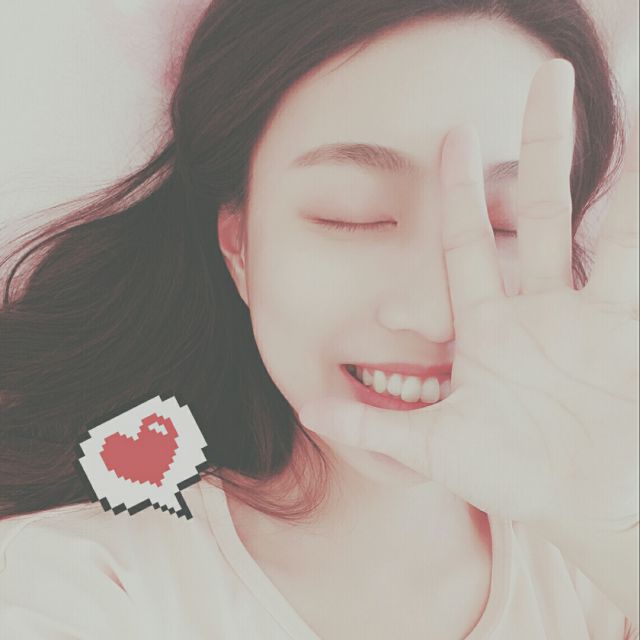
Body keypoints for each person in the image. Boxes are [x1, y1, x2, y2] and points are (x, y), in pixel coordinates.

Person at [0, 1, 637, 638]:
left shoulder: (604, 575)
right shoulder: (87, 582)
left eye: (504, 223)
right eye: (351, 214)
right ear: (239, 245)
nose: (435, 315)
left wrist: (618, 540)